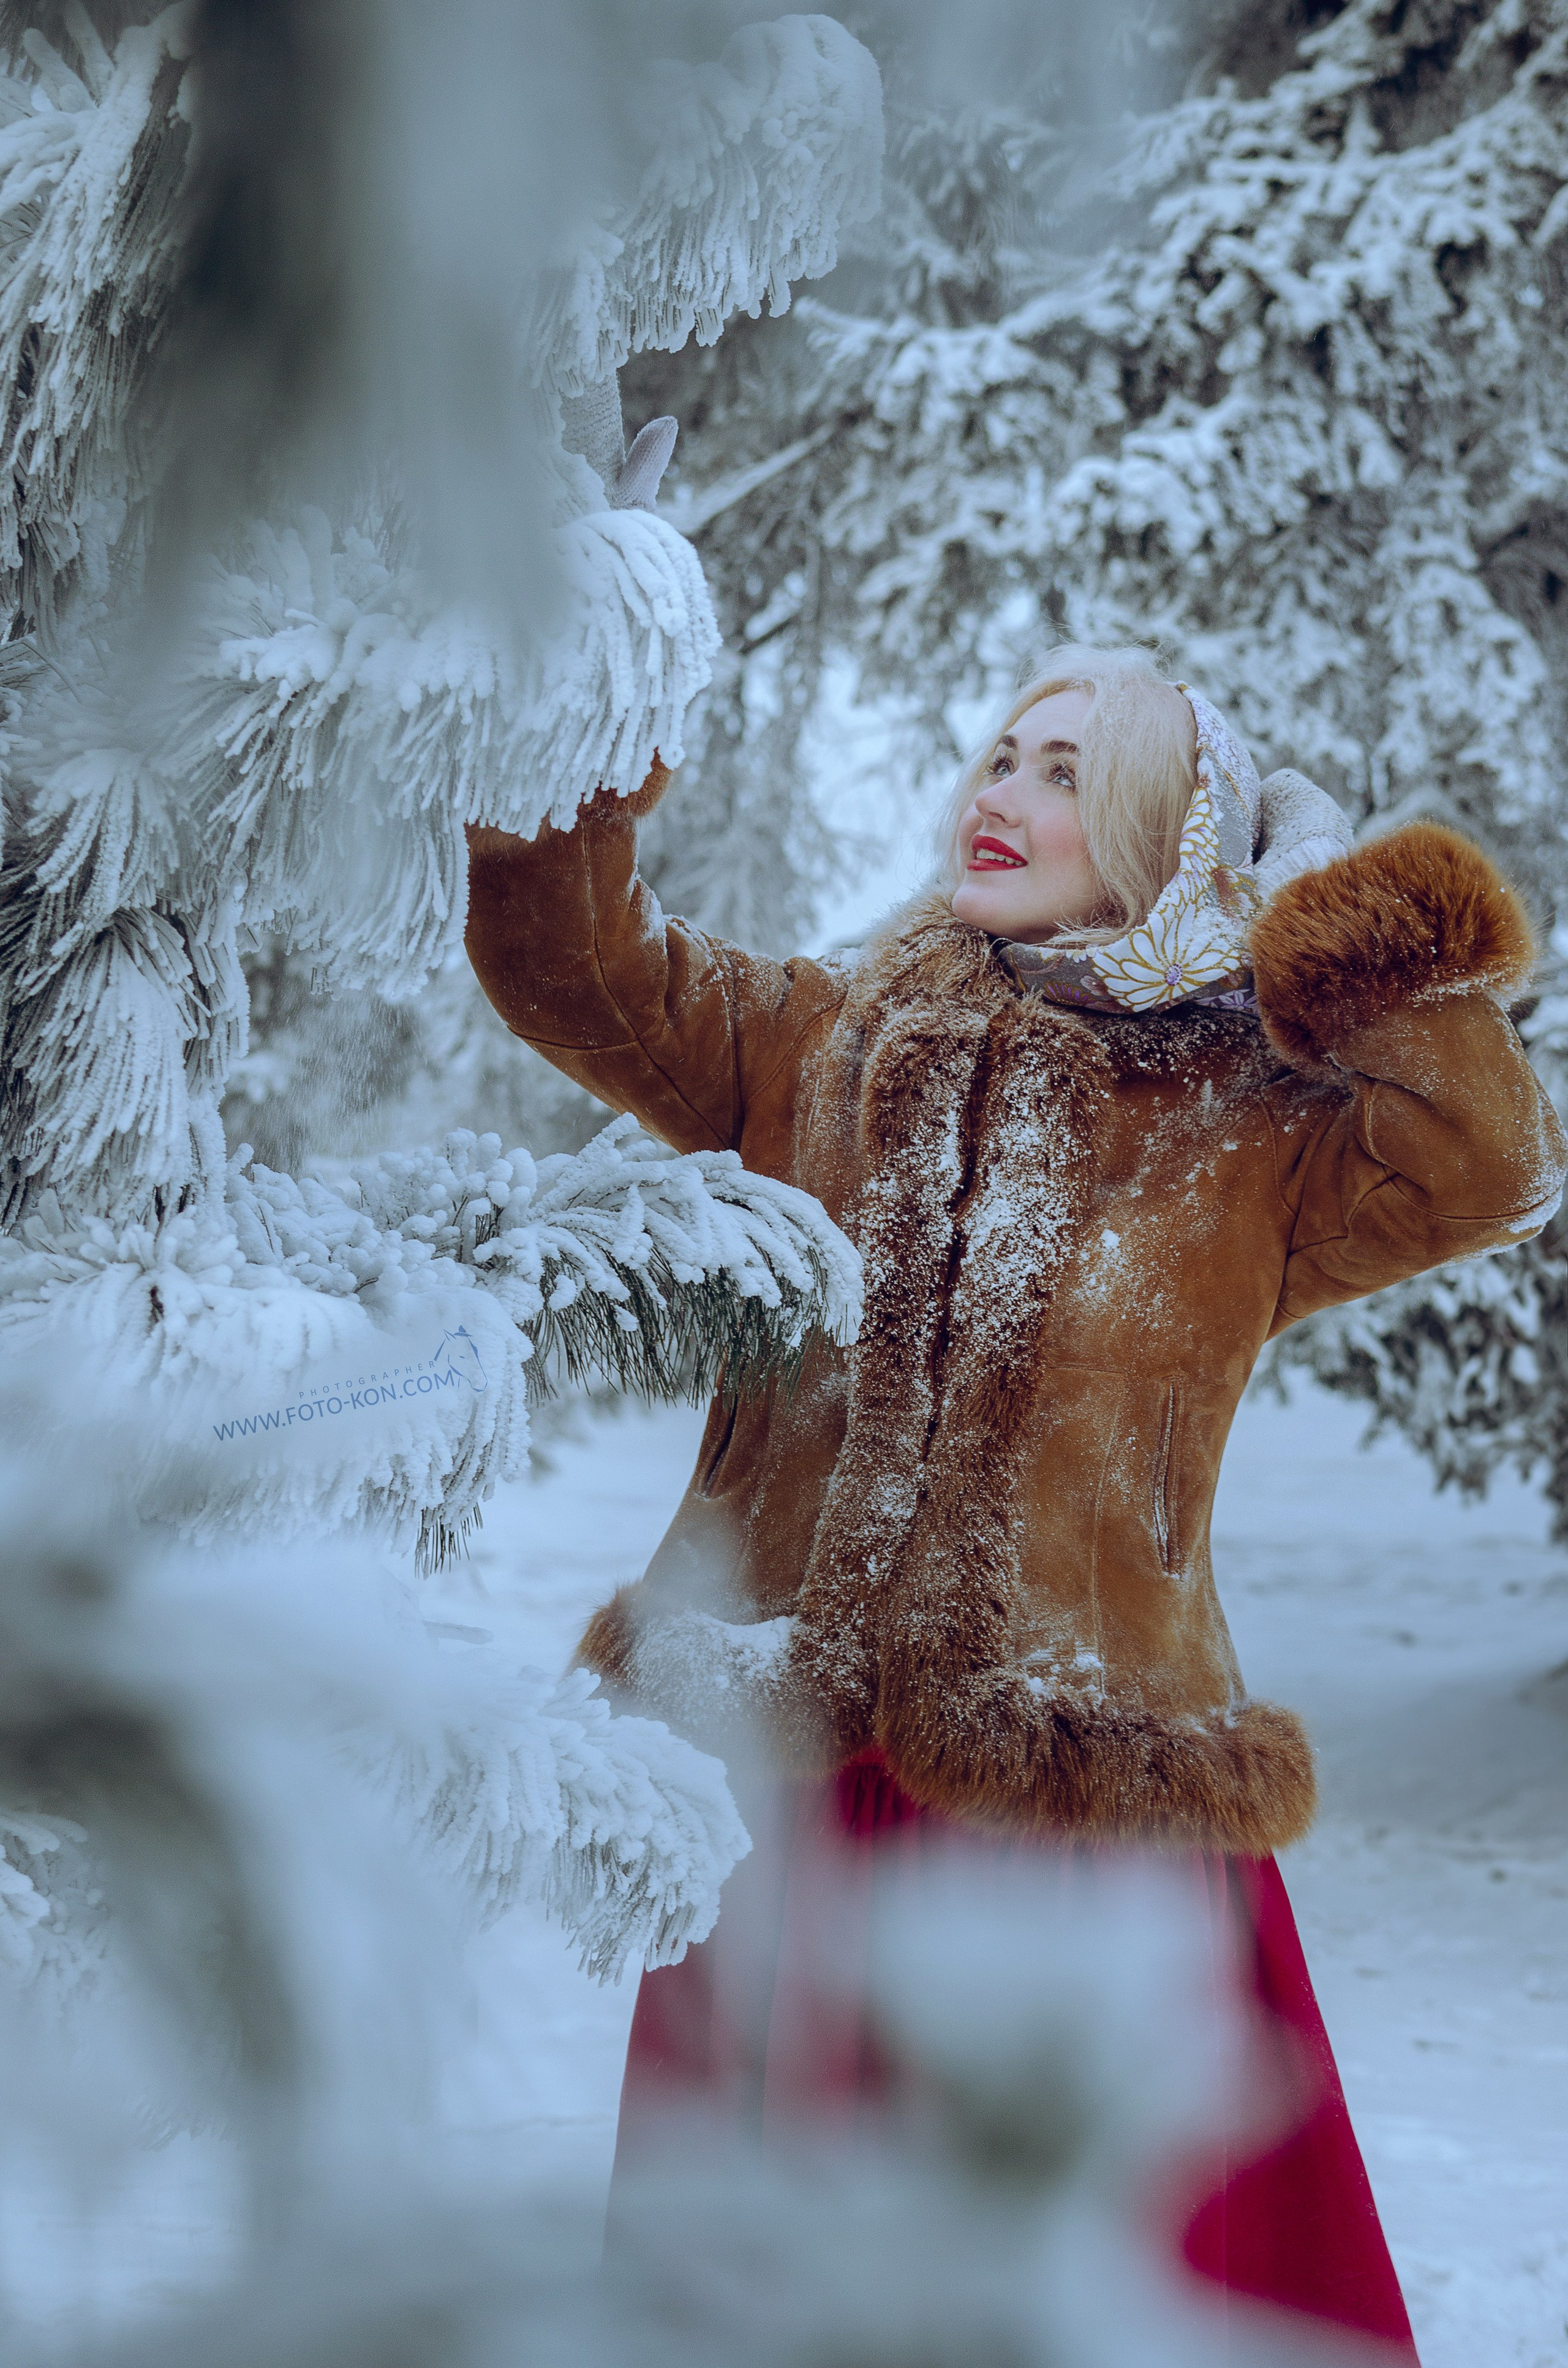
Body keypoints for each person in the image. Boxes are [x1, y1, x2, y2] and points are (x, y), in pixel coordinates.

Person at [464, 645, 1566, 2356]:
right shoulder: (814, 1037)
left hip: (1080, 1795)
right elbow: (573, 963)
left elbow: (1494, 1164)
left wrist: (1337, 937)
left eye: (1068, 771)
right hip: (799, 1778)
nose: (1005, 795)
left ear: (1160, 827)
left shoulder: (1253, 1128)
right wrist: (580, 697)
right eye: (1001, 754)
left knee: (1083, 2290)